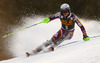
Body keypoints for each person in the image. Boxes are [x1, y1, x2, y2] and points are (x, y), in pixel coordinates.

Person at [26, 3, 90, 57]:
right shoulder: (59, 14)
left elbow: (81, 25)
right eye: (63, 12)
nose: (65, 13)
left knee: (66, 34)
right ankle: (36, 50)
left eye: (66, 11)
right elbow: (52, 17)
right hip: (62, 30)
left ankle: (53, 46)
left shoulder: (73, 17)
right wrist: (47, 19)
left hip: (70, 33)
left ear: (69, 11)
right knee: (51, 40)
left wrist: (85, 35)